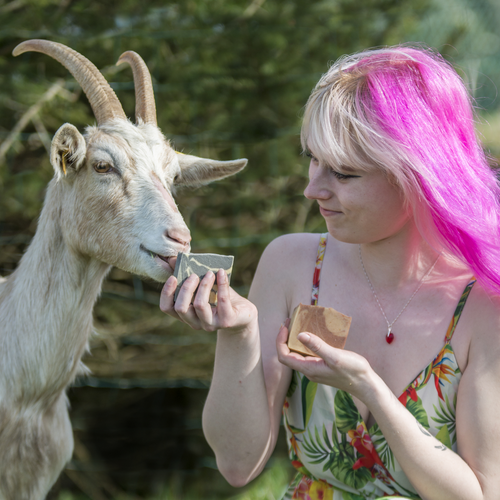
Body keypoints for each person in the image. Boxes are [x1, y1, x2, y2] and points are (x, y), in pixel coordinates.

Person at [160, 46, 500, 500]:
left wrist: (368, 389)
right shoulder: (292, 265)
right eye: (313, 159)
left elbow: (480, 494)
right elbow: (238, 464)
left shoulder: (484, 303)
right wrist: (238, 334)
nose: (312, 189)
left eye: (343, 173)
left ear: (419, 173)